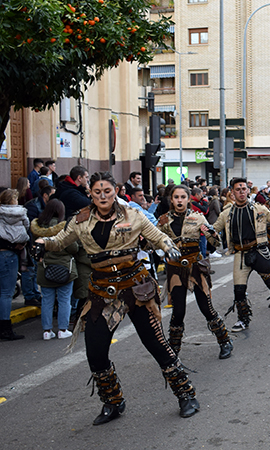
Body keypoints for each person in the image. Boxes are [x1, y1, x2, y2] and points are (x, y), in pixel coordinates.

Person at [33, 172, 201, 423]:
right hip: (102, 292)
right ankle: (113, 402)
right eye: (98, 192)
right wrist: (43, 242)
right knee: (96, 351)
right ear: (90, 192)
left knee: (156, 344)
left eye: (108, 191)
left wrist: (168, 246)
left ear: (115, 192)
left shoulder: (133, 215)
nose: (103, 196)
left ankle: (186, 395)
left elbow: (157, 235)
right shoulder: (79, 221)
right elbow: (59, 241)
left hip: (135, 289)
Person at [212, 178, 270, 332]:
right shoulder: (227, 213)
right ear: (232, 192)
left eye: (243, 189)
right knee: (239, 291)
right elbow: (214, 230)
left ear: (248, 191)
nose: (241, 192)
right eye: (238, 189)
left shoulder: (259, 209)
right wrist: (204, 232)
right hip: (241, 255)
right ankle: (243, 320)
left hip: (260, 251)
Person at [157, 185, 233, 360]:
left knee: (206, 307)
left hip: (196, 266)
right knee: (178, 311)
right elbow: (152, 242)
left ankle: (225, 341)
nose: (179, 200)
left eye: (183, 197)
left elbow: (215, 239)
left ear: (188, 199)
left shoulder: (197, 217)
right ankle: (173, 350)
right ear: (171, 199)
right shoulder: (163, 220)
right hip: (175, 269)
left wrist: (212, 233)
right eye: (176, 197)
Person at [31, 199, 78, 340]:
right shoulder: (64, 228)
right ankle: (63, 329)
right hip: (65, 268)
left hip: (44, 268)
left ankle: (47, 331)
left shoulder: (37, 228)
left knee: (47, 300)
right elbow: (73, 248)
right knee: (64, 299)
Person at [0, 189, 30, 340]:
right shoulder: (20, 213)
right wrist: (15, 245)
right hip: (9, 254)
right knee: (6, 292)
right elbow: (27, 227)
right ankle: (5, 328)